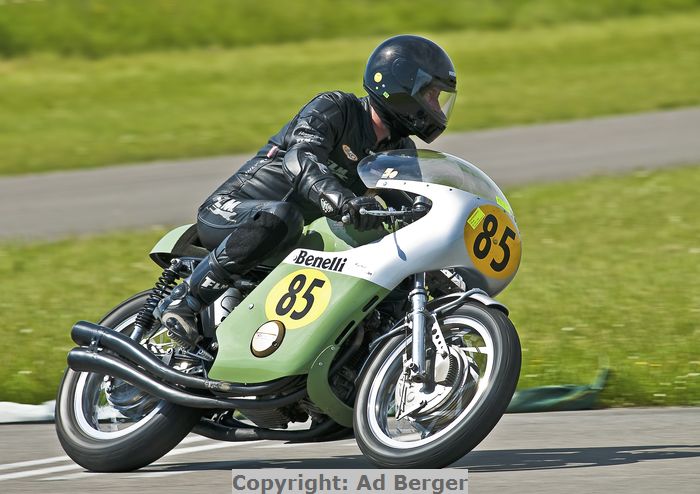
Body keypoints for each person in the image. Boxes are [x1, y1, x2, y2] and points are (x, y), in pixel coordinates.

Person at [158, 34, 457, 348]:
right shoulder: (337, 108)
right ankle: (185, 301)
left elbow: (415, 213)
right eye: (432, 94)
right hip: (234, 212)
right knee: (283, 215)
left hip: (296, 243)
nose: (437, 106)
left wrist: (451, 264)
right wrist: (341, 200)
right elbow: (300, 157)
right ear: (401, 86)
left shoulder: (399, 152)